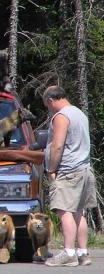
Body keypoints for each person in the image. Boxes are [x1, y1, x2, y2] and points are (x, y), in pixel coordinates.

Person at [42, 86, 97, 267]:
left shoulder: (61, 117)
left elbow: (57, 146)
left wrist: (51, 169)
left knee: (64, 211)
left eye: (47, 105)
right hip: (84, 169)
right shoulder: (79, 114)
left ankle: (68, 253)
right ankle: (83, 253)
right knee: (78, 212)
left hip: (68, 170)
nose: (49, 109)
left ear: (51, 101)